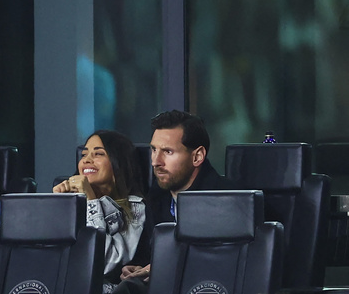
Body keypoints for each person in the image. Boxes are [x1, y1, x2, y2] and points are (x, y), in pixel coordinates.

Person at [112, 110, 239, 294]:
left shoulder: (227, 200)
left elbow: (225, 264)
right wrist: (135, 267)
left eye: (167, 152)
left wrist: (162, 268)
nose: (156, 161)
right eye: (154, 150)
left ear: (197, 156)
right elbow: (148, 254)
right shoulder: (156, 198)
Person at [53, 130, 148, 294]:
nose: (87, 160)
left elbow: (106, 264)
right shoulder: (71, 201)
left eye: (98, 154)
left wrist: (91, 201)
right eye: (84, 155)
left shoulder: (135, 207)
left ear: (118, 162)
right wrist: (58, 206)